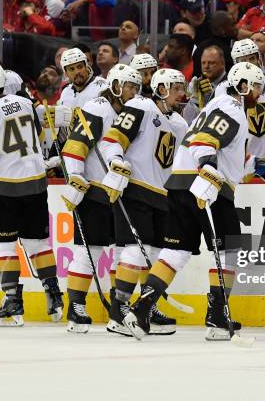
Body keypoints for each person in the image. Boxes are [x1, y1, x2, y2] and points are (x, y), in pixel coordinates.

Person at [121, 62, 265, 341]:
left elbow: (233, 158)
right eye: (256, 87)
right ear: (242, 86)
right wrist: (207, 167)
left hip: (180, 184)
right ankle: (217, 317)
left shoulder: (215, 107)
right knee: (232, 252)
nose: (259, 93)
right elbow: (205, 142)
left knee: (175, 253)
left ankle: (141, 308)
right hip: (208, 187)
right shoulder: (231, 108)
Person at [0, 62, 63, 327]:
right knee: (38, 244)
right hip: (36, 183)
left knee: (4, 246)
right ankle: (54, 297)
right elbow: (39, 137)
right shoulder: (26, 103)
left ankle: (12, 303)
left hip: (5, 189)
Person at [99, 68, 188, 336]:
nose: (182, 94)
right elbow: (112, 139)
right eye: (176, 88)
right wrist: (115, 161)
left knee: (155, 256)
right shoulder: (141, 106)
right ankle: (119, 311)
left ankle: (145, 311)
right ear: (161, 89)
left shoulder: (181, 124)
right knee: (135, 251)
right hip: (135, 188)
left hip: (162, 195)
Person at [60, 64, 142, 333]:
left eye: (137, 87)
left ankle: (120, 309)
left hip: (117, 191)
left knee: (122, 250)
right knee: (89, 251)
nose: (134, 92)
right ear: (116, 86)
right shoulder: (98, 107)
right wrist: (75, 178)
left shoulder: (127, 111)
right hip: (93, 189)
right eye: (130, 86)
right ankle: (76, 307)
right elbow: (74, 146)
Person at [184, 45, 227, 124]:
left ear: (222, 64)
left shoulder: (231, 85)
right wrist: (195, 99)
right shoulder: (197, 84)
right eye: (203, 63)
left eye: (211, 63)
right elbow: (188, 121)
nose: (206, 66)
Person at [58, 48, 109, 114]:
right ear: (66, 74)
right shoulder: (65, 92)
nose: (77, 72)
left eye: (80, 67)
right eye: (72, 69)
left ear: (86, 66)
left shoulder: (103, 86)